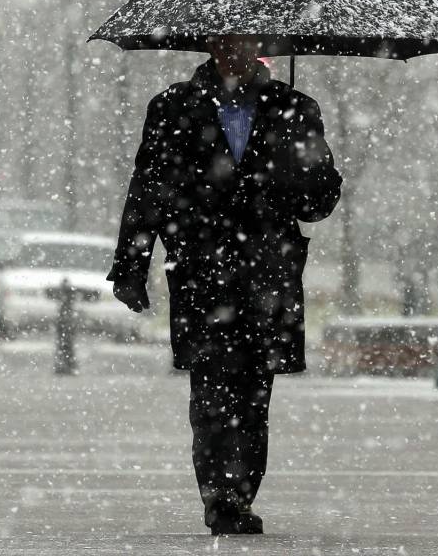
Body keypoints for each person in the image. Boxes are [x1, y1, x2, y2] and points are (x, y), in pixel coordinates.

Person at [108, 35, 342, 535]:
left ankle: (239, 493)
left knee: (255, 393)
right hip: (202, 273)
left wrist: (306, 168)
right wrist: (131, 262)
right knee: (211, 391)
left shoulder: (295, 110)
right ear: (211, 44)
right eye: (227, 41)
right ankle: (220, 499)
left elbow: (318, 204)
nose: (236, 51)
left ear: (266, 46)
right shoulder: (174, 107)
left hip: (268, 275)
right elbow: (149, 186)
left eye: (248, 42)